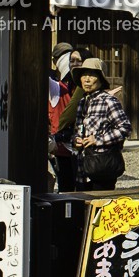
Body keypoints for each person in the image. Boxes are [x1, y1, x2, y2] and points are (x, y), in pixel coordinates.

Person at [72, 58, 132, 191]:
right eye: (84, 75)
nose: (87, 79)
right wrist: (76, 139)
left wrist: (97, 140)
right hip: (83, 165)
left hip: (103, 165)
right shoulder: (83, 102)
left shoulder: (109, 101)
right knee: (83, 206)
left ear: (100, 79)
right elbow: (77, 128)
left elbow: (125, 128)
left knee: (102, 205)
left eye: (92, 75)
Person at [48, 41, 78, 191]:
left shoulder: (73, 86)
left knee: (71, 185)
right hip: (61, 144)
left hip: (74, 143)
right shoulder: (56, 87)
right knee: (67, 185)